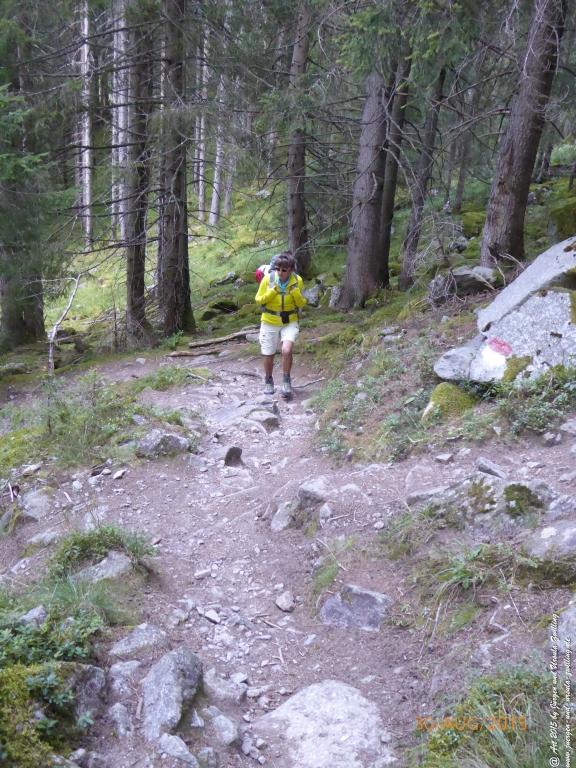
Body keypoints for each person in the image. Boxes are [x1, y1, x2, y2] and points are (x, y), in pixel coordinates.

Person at [254, 251, 307, 397]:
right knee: (268, 353)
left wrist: (295, 293)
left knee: (286, 350)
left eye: (284, 270)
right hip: (269, 320)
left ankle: (286, 380)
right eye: (278, 269)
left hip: (290, 320)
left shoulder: (298, 281)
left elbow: (302, 303)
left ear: (290, 269)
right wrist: (272, 292)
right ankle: (268, 381)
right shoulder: (268, 280)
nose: (280, 272)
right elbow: (258, 300)